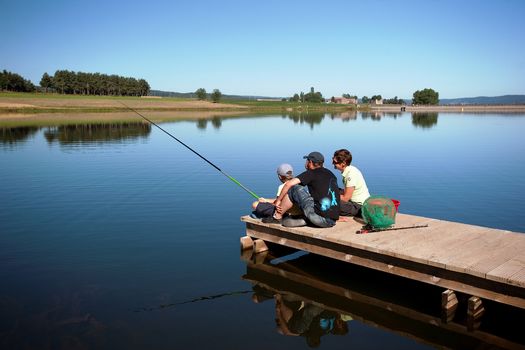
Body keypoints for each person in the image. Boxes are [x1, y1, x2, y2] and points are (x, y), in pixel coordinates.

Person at [263, 151, 340, 228]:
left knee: (294, 188)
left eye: (307, 161)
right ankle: (308, 220)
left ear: (310, 162)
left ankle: (277, 217)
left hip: (319, 217)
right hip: (331, 221)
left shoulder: (311, 173)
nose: (306, 163)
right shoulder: (331, 174)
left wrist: (278, 200)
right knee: (288, 221)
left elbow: (288, 184)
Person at [332, 149, 370, 217]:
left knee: (330, 202)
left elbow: (346, 198)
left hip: (359, 206)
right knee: (332, 189)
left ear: (343, 163)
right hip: (356, 201)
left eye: (335, 162)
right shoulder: (350, 169)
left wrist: (330, 196)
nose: (333, 163)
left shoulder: (350, 175)